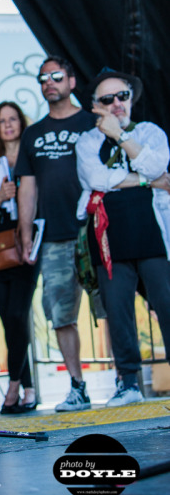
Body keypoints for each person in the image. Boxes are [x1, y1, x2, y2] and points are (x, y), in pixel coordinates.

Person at [76, 68, 170, 406]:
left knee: (167, 305)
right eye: (108, 98)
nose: (116, 103)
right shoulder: (87, 141)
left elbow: (158, 165)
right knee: (118, 313)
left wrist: (120, 135)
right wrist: (146, 181)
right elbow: (96, 179)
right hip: (109, 239)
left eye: (122, 95)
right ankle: (128, 383)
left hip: (153, 236)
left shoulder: (149, 132)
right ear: (95, 105)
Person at [15, 56, 96, 412]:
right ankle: (77, 386)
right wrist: (25, 233)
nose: (49, 82)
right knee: (61, 315)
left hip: (97, 232)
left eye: (57, 76)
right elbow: (27, 188)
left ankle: (127, 381)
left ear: (72, 81)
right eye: (43, 78)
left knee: (116, 306)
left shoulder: (93, 122)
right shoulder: (33, 134)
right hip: (54, 238)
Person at [0, 102, 39, 413]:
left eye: (13, 118)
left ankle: (14, 387)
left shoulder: (33, 159)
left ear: (21, 123)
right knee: (9, 321)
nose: (8, 125)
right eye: (2, 121)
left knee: (18, 314)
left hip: (27, 243)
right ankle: (29, 389)